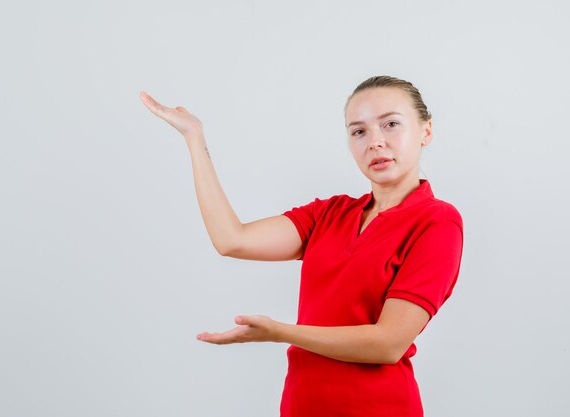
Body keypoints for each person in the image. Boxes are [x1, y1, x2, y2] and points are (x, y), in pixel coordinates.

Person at [139, 75, 464, 417]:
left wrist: (280, 332)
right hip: (302, 406)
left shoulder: (437, 221)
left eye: (391, 124)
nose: (375, 142)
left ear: (426, 131)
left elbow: (388, 344)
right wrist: (195, 139)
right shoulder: (329, 214)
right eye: (359, 131)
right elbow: (231, 240)